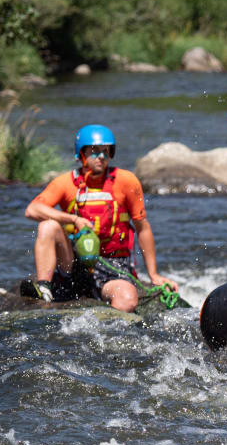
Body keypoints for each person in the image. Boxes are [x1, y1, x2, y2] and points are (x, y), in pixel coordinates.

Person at [24, 124, 177, 312]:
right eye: (95, 152)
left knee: (128, 301)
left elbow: (142, 228)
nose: (102, 157)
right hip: (74, 261)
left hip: (112, 265)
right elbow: (32, 209)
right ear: (81, 154)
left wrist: (153, 274)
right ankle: (44, 288)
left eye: (106, 151)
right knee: (48, 226)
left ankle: (111, 328)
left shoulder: (126, 181)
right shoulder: (65, 182)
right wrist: (73, 220)